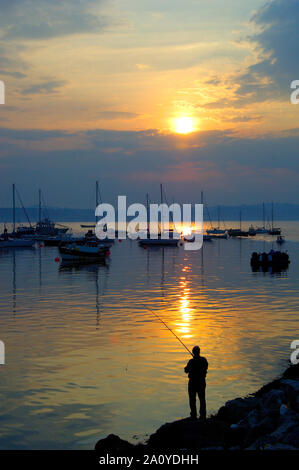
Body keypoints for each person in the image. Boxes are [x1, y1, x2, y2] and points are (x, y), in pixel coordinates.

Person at [184, 346, 208, 420]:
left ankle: (193, 415)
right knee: (202, 399)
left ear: (193, 352)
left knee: (192, 399)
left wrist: (194, 360)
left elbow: (186, 370)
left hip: (192, 383)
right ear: (199, 352)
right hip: (201, 382)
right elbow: (206, 367)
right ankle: (203, 415)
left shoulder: (191, 361)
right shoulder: (204, 360)